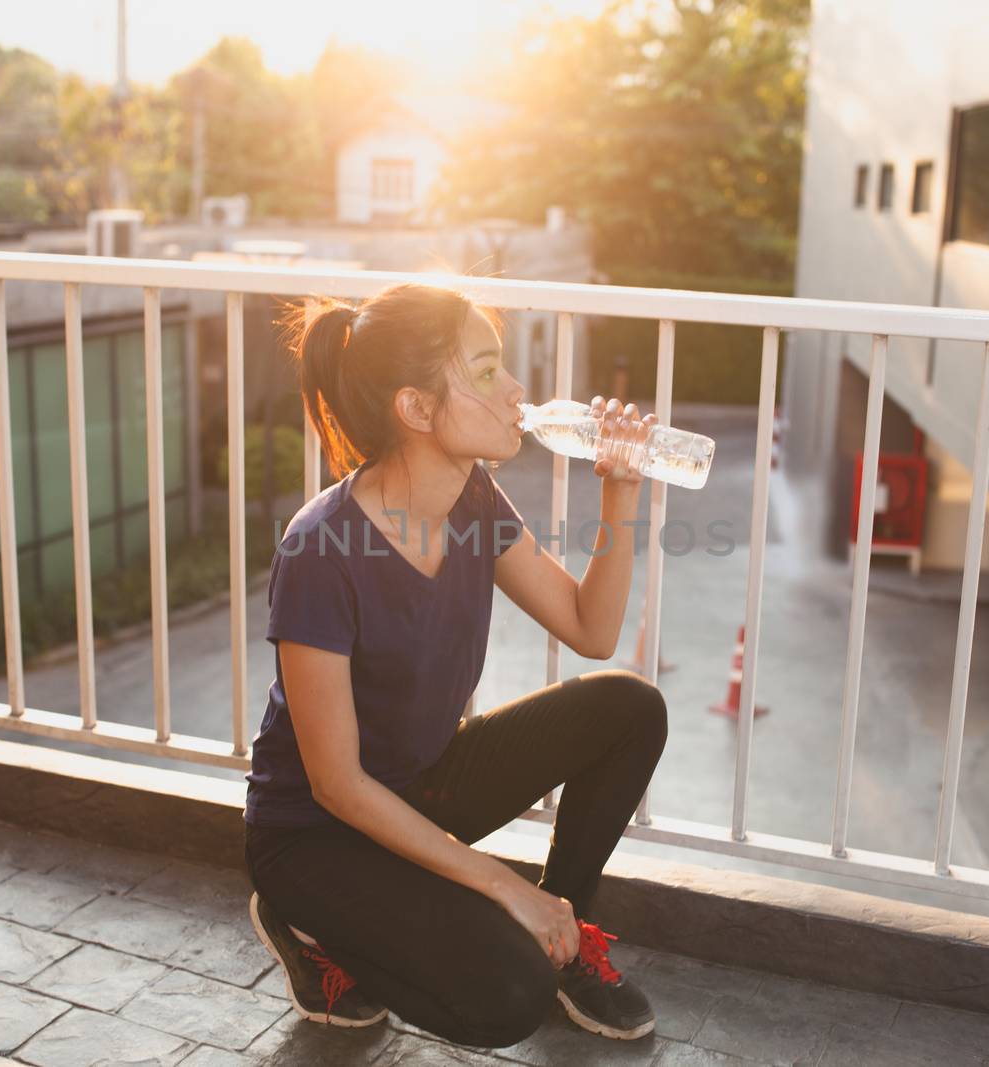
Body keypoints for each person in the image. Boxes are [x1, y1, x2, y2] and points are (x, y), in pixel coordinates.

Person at [243, 281, 669, 1048]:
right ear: (414, 407)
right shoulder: (320, 549)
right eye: (483, 373)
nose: (515, 392)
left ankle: (563, 935)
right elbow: (337, 784)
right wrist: (504, 886)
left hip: (421, 784)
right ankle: (312, 928)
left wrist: (622, 492)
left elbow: (590, 628)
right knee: (507, 998)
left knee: (630, 707)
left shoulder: (472, 497)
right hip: (317, 834)